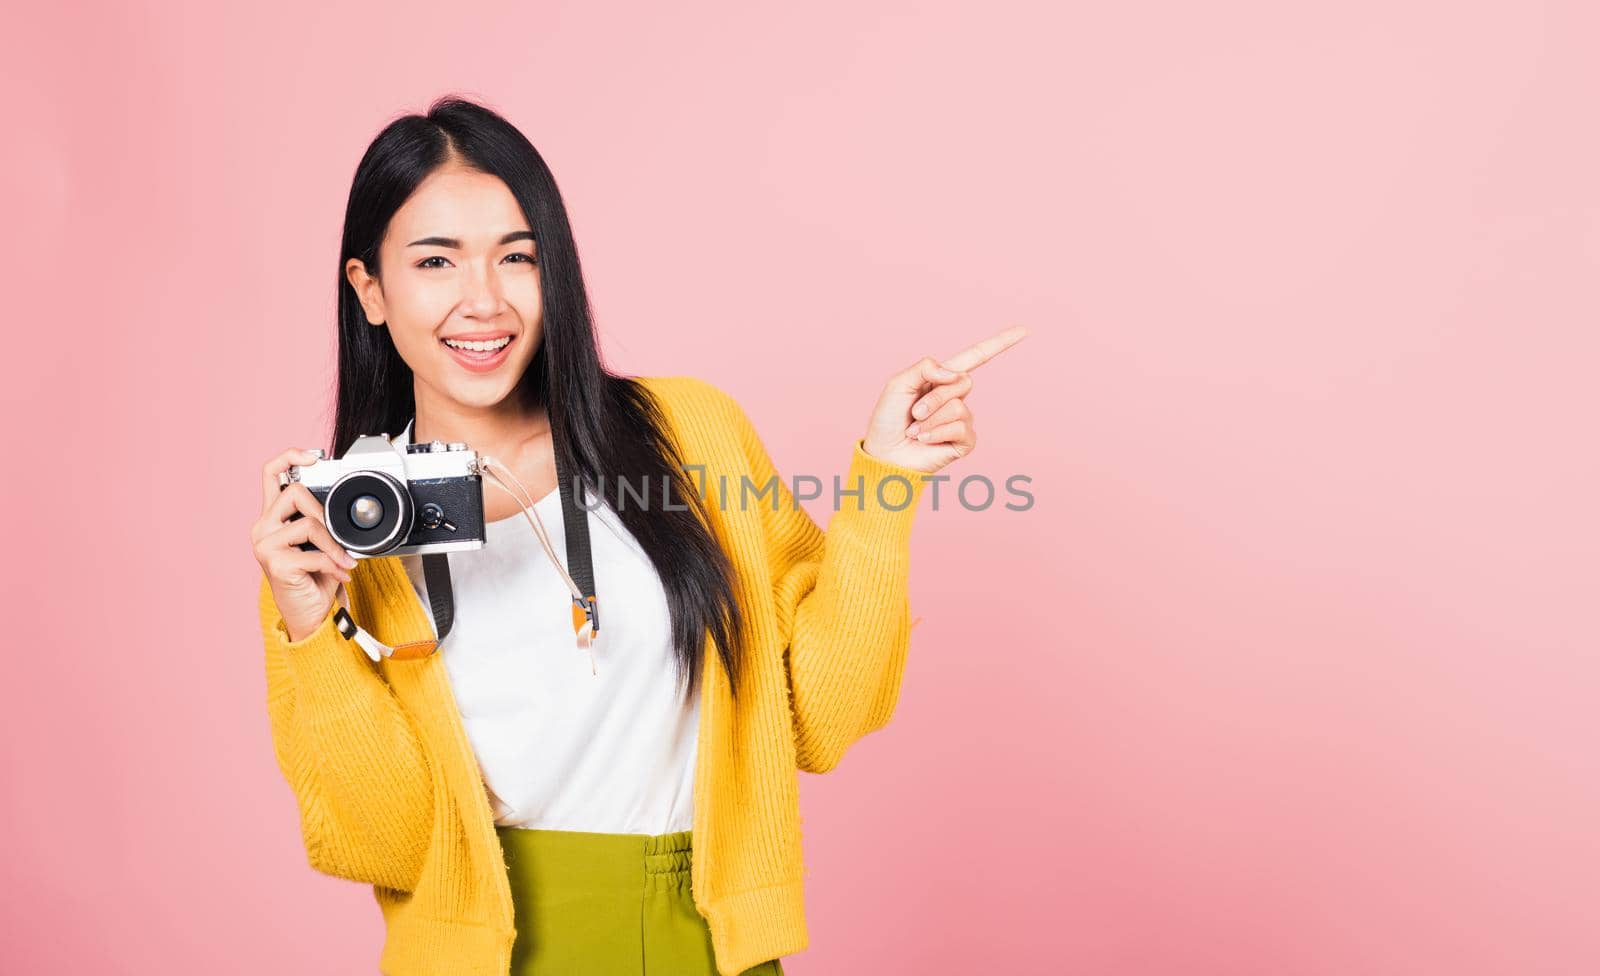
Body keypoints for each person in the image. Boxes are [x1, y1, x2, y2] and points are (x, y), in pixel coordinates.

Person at [249, 95, 1025, 976]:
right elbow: (386, 844)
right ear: (371, 291)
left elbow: (825, 716)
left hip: (709, 942)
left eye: (518, 257)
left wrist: (885, 486)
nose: (484, 301)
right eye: (436, 261)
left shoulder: (687, 435)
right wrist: (312, 629)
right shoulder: (337, 530)